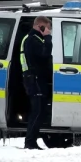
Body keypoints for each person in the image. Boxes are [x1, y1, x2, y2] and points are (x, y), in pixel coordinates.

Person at [20, 16, 52, 149]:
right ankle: (30, 142)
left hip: (37, 78)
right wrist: (48, 39)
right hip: (34, 79)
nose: (49, 31)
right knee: (37, 112)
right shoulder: (33, 39)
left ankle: (31, 141)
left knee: (40, 111)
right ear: (41, 26)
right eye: (48, 28)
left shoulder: (35, 38)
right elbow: (44, 54)